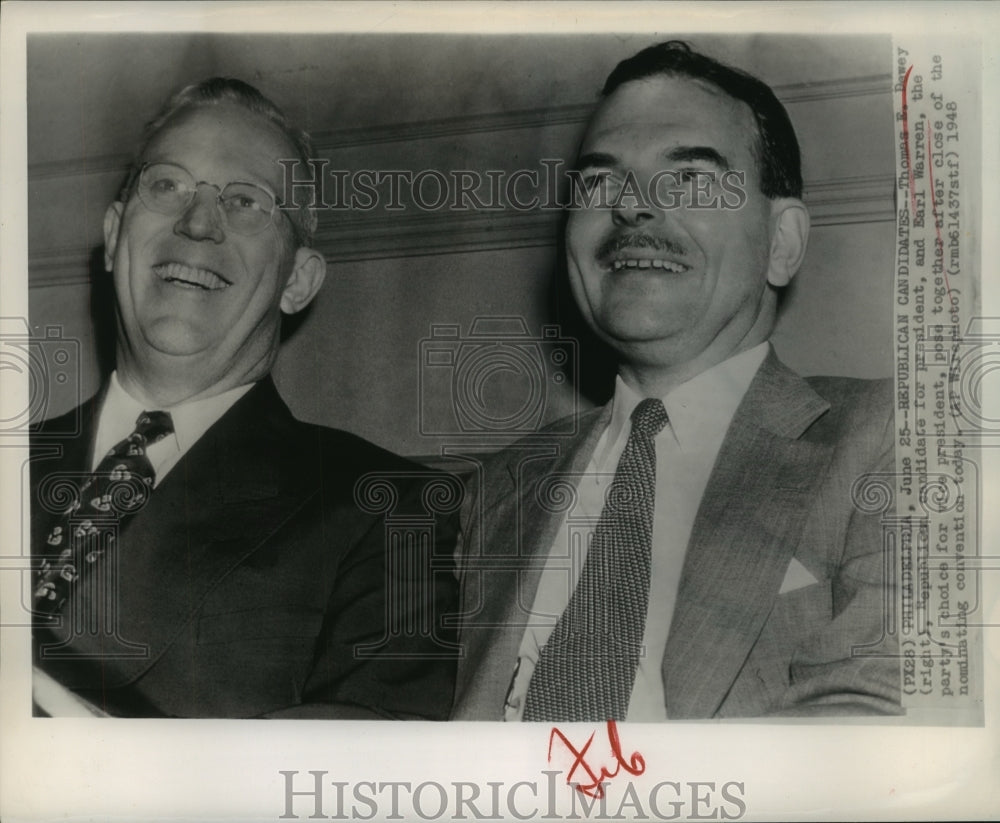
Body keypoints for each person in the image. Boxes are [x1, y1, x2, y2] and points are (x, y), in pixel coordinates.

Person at [452, 41, 901, 721]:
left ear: (782, 243)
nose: (631, 209)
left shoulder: (890, 437)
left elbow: (874, 727)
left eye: (689, 180)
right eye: (600, 182)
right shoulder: (497, 490)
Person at [30, 77, 458, 719]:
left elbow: (368, 784)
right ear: (116, 236)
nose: (198, 223)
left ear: (297, 280)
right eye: (167, 185)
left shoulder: (386, 510)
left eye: (247, 202)